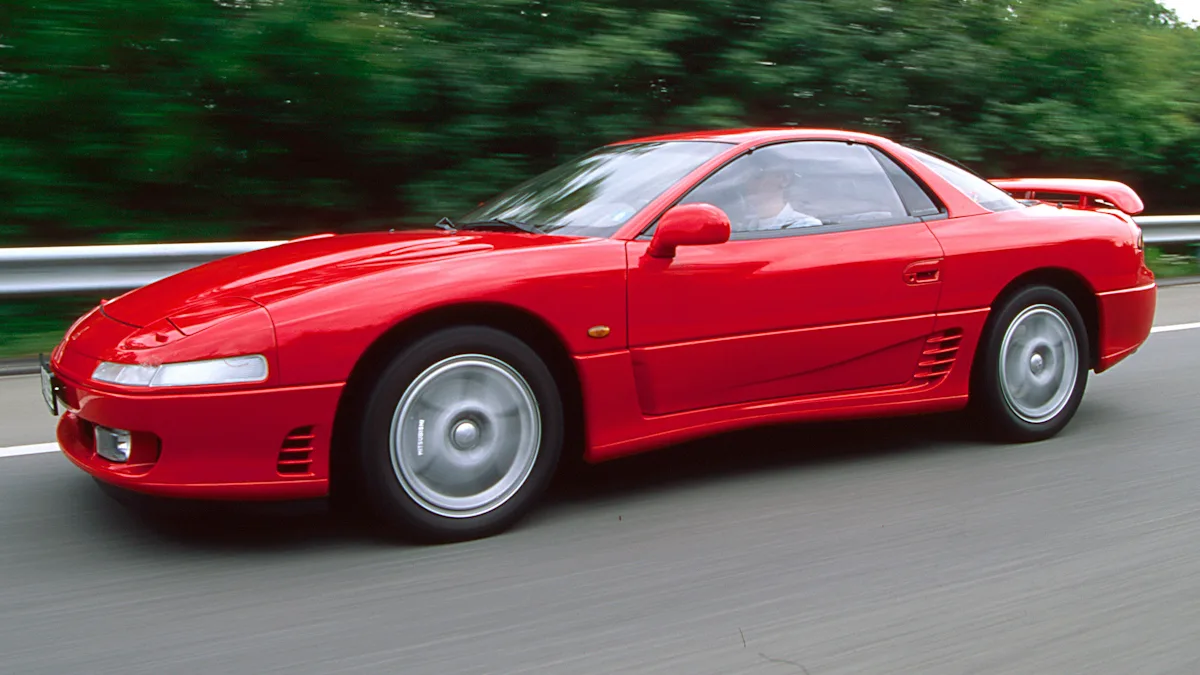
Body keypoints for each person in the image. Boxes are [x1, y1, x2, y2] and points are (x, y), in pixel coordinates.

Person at [738, 156, 823, 232]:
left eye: (757, 174)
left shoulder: (805, 226)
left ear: (784, 180)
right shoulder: (745, 227)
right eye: (745, 176)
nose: (748, 182)